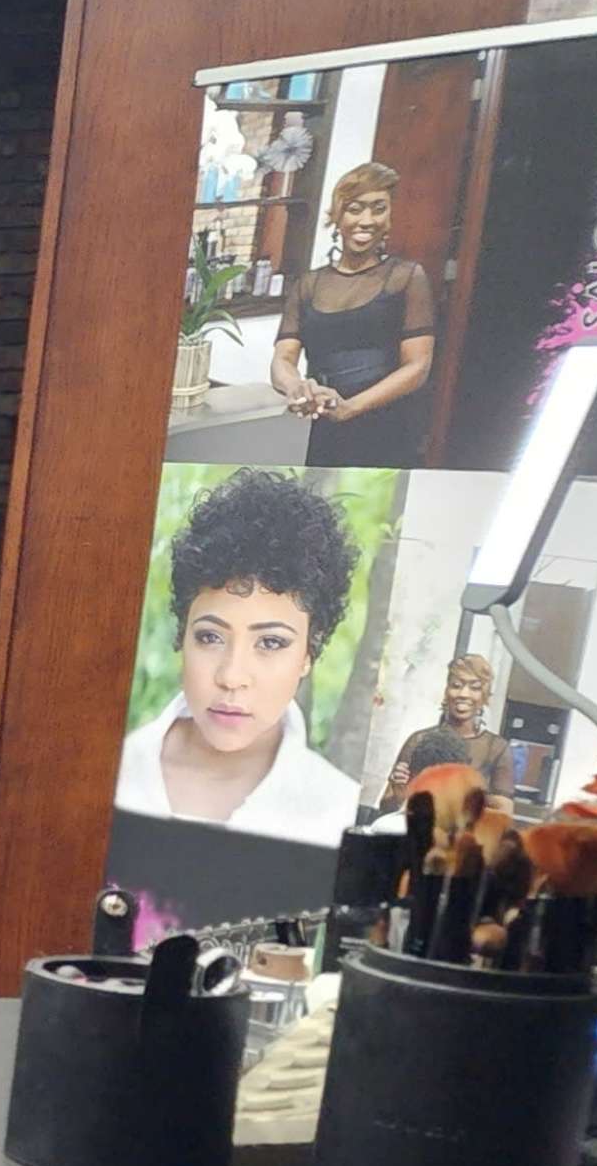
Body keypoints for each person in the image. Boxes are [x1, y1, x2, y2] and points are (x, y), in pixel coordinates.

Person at [116, 470, 370, 842]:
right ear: (182, 636)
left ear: (308, 654)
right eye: (210, 637)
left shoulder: (339, 813)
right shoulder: (110, 770)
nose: (232, 676)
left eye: (271, 643)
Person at [271, 162, 438, 469]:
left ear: (389, 218)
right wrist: (297, 388)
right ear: (338, 216)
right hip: (320, 426)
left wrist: (351, 407)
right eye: (355, 209)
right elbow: (282, 359)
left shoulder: (406, 277)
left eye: (379, 209)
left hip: (385, 428)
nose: (367, 220)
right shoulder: (308, 284)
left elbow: (418, 367)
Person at [378, 650, 517, 804]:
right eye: (456, 685)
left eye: (474, 688)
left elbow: (503, 811)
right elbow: (387, 804)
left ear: (484, 696)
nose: (464, 694)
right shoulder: (419, 740)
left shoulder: (496, 749)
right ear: (446, 691)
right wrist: (399, 792)